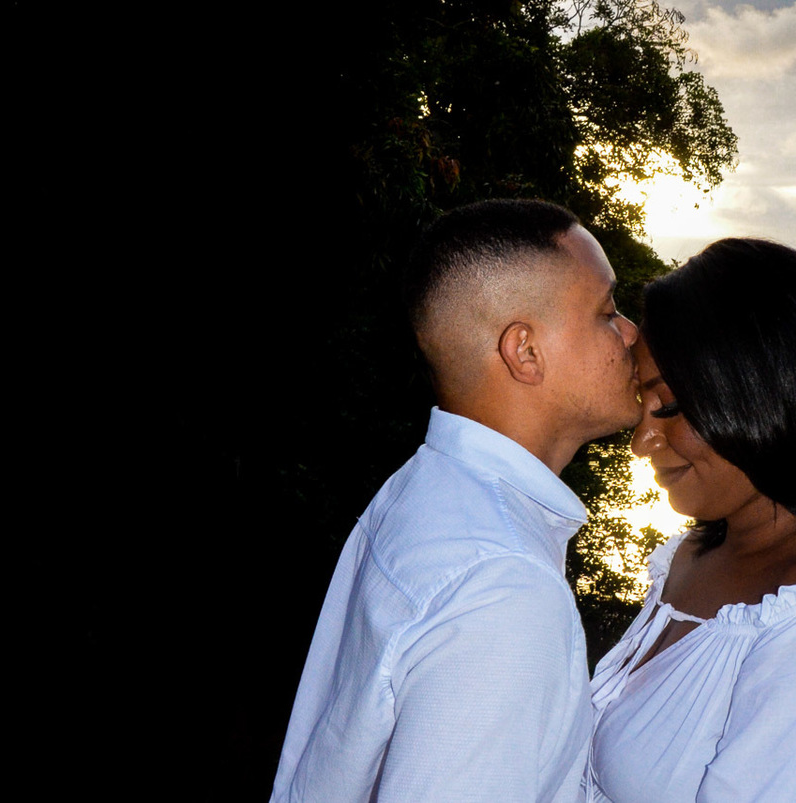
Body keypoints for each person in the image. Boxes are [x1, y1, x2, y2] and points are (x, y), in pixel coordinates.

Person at [271, 199, 642, 802]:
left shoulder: (423, 495)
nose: (631, 334)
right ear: (525, 351)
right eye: (607, 311)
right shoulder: (502, 589)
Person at [587, 239, 796, 802]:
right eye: (641, 404)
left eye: (668, 405)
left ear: (766, 395)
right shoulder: (690, 559)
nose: (642, 441)